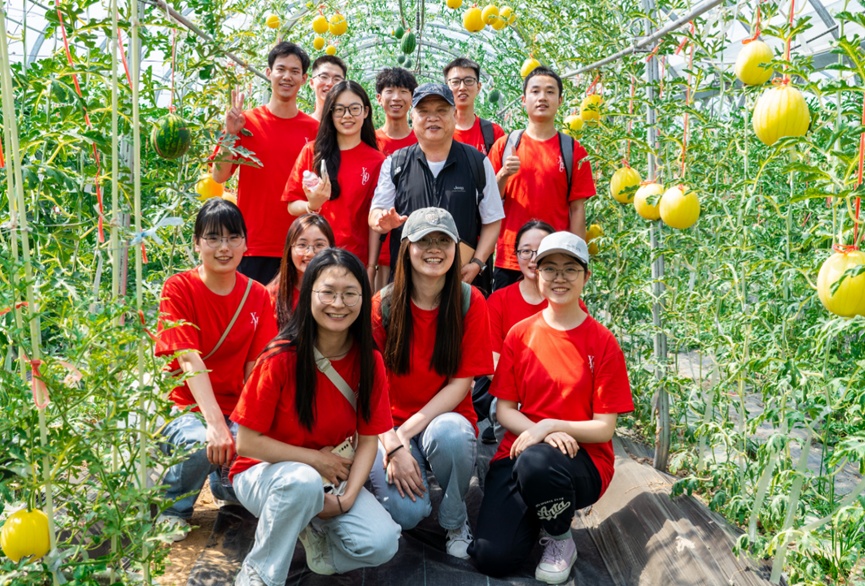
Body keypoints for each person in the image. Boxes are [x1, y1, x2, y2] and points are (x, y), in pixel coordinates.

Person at [469, 232, 634, 585]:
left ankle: (559, 537)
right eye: (550, 269)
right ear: (536, 273)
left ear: (586, 277)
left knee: (537, 463)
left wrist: (550, 426)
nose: (559, 278)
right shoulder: (520, 334)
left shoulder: (602, 343)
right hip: (519, 452)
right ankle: (541, 513)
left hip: (581, 461)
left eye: (570, 269)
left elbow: (604, 428)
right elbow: (504, 410)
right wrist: (541, 429)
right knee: (491, 557)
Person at [230, 249, 400, 586]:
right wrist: (314, 461)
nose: (339, 303)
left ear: (363, 299)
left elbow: (369, 440)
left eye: (350, 293)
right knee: (301, 483)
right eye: (328, 292)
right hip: (262, 474)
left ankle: (318, 548)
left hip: (327, 480)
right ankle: (259, 577)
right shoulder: (279, 357)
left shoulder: (369, 361)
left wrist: (347, 498)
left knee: (382, 541)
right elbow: (246, 442)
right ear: (309, 294)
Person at [368, 207, 494, 560]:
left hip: (440, 420)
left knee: (452, 435)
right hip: (388, 425)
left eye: (443, 240)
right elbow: (370, 383)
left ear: (456, 249)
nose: (433, 249)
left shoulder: (470, 302)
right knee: (408, 514)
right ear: (407, 247)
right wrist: (391, 443)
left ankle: (455, 518)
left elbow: (460, 385)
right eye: (424, 240)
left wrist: (404, 435)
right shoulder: (384, 305)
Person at [155, 198, 277, 540]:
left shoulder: (257, 295)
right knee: (198, 442)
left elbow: (257, 368)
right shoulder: (178, 288)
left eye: (233, 237)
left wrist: (254, 426)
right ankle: (174, 506)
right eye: (213, 238)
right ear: (197, 243)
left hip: (235, 408)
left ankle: (223, 483)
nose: (224, 247)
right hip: (188, 407)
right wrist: (215, 424)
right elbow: (189, 358)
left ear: (245, 243)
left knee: (263, 452)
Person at [368, 83, 504, 291]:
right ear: (412, 117)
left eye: (441, 111)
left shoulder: (477, 162)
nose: (433, 118)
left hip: (462, 279)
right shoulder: (396, 163)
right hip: (409, 281)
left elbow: (493, 219)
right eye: (423, 112)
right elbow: (376, 212)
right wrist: (382, 221)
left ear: (455, 116)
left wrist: (477, 263)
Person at [211, 42, 319, 285]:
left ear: (303, 79)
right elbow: (218, 176)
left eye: (294, 71)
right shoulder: (245, 123)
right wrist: (229, 134)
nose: (287, 76)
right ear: (269, 73)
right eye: (281, 69)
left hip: (301, 246)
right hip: (254, 245)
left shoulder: (315, 130)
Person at [489, 66, 596, 291]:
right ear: (524, 100)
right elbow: (489, 201)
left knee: (553, 324)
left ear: (560, 100)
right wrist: (503, 175)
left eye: (549, 92)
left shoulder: (574, 151)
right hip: (511, 258)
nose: (542, 98)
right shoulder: (505, 146)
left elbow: (577, 210)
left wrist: (577, 257)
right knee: (507, 323)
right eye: (535, 91)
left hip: (555, 258)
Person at [284, 80, 384, 286]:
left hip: (354, 259)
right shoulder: (312, 152)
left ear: (365, 112)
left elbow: (375, 219)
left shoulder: (377, 161)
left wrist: (371, 266)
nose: (347, 116)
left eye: (354, 109)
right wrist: (312, 205)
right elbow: (292, 205)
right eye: (339, 109)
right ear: (330, 113)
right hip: (313, 258)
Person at [473, 220, 554, 444]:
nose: (533, 257)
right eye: (526, 251)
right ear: (516, 255)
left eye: (542, 250)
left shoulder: (567, 302)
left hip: (557, 395)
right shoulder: (499, 300)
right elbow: (492, 360)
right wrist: (526, 389)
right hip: (513, 395)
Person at [372, 67, 419, 291]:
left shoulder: (422, 143)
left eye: (404, 91)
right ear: (379, 98)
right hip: (371, 251)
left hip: (409, 250)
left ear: (413, 98)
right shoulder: (369, 141)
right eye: (390, 91)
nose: (397, 97)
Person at [267, 214, 335, 329]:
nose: (310, 253)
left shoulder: (342, 291)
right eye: (302, 245)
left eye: (319, 245)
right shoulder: (271, 296)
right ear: (290, 249)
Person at [443, 57, 505, 156]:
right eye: (455, 82)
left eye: (468, 81)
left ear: (478, 87)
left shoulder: (494, 133)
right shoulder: (439, 132)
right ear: (446, 88)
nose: (462, 87)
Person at [308, 55, 347, 121]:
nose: (330, 83)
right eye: (324, 77)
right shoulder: (301, 126)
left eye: (337, 79)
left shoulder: (349, 126)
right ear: (312, 83)